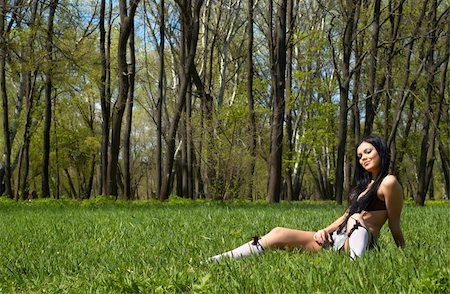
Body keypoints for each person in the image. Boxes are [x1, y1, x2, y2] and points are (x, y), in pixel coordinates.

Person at [209, 135, 405, 261]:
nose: (363, 158)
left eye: (368, 151)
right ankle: (219, 259)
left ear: (381, 151)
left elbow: (394, 225)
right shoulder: (363, 187)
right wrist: (324, 231)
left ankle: (356, 266)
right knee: (278, 233)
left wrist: (404, 254)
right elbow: (346, 215)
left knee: (356, 219)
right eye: (360, 155)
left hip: (363, 242)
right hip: (338, 238)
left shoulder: (388, 182)